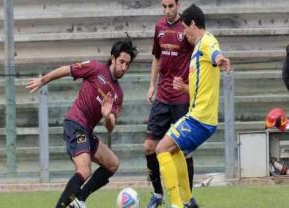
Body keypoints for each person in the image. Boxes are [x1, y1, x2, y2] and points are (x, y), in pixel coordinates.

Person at [26, 36, 138, 208]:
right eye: (121, 61)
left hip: (87, 131)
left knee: (113, 163)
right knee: (84, 170)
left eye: (127, 64)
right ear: (113, 58)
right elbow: (67, 70)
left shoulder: (118, 94)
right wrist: (43, 80)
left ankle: (79, 200)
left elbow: (110, 127)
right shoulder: (95, 68)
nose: (123, 67)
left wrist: (107, 116)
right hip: (75, 123)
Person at [155, 4, 230, 208]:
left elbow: (215, 52)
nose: (184, 33)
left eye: (185, 28)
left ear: (194, 24)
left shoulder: (207, 41)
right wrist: (185, 88)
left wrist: (220, 59)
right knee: (174, 151)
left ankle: (177, 204)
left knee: (161, 148)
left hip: (200, 118)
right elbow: (202, 89)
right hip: (200, 116)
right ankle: (189, 201)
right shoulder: (198, 48)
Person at [143, 0, 195, 207]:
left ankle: (187, 199)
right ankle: (157, 194)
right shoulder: (159, 27)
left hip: (182, 98)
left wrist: (189, 86)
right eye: (163, 6)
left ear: (178, 4)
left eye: (170, 6)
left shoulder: (187, 28)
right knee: (149, 147)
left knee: (183, 151)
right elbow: (157, 57)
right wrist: (151, 85)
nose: (167, 11)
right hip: (162, 97)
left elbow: (196, 59)